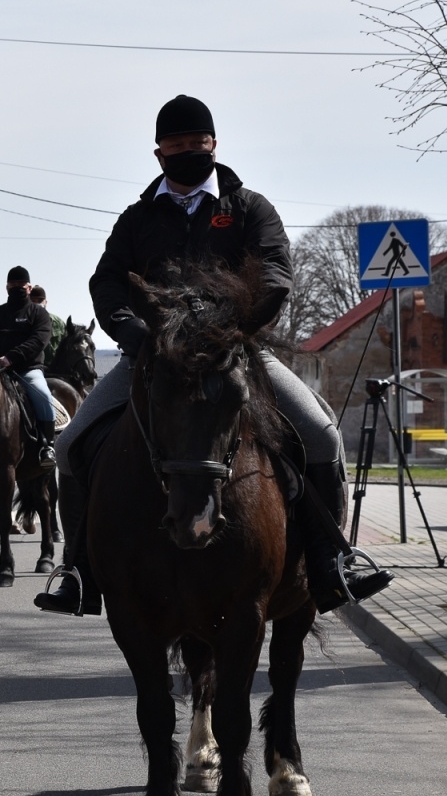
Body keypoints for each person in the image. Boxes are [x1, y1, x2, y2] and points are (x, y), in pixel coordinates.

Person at [35, 94, 392, 616]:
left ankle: (330, 562)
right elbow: (107, 281)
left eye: (196, 144)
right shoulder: (137, 218)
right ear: (158, 153)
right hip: (152, 356)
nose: (186, 151)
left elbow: (275, 269)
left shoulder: (249, 209)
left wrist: (241, 325)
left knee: (321, 434)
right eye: (175, 145)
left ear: (214, 145)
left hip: (235, 353)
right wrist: (134, 334)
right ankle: (79, 569)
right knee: (69, 447)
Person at [0, 267, 57, 468]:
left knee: (42, 395)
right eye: (13, 286)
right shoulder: (0, 312)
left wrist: (11, 357)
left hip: (28, 369)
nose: (17, 288)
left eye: (21, 286)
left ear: (29, 288)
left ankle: (48, 445)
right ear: (6, 287)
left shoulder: (38, 313)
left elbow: (39, 340)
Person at [30, 284, 66, 365]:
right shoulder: (24, 322)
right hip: (32, 366)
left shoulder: (58, 323)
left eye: (39, 301)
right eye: (33, 301)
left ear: (45, 302)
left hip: (55, 368)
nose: (37, 304)